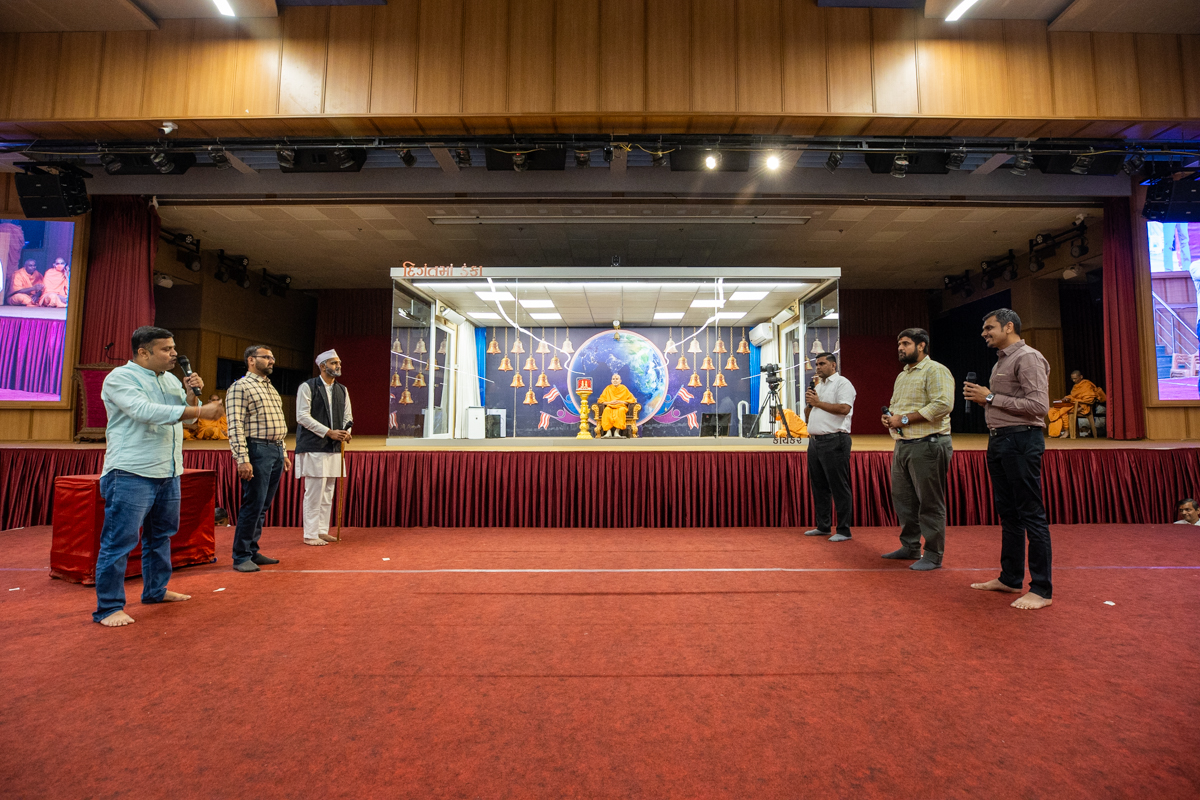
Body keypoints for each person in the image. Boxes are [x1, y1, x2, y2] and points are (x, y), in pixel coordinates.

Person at [92, 326, 224, 627]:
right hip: (130, 471)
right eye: (166, 349)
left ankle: (155, 590)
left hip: (169, 470)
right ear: (143, 352)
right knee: (119, 541)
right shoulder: (120, 378)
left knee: (161, 536)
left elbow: (184, 419)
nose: (174, 354)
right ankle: (108, 608)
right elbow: (144, 411)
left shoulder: (171, 380)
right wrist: (200, 411)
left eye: (173, 348)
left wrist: (190, 396)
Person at [965, 309, 1054, 611]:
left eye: (989, 328)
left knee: (1031, 514)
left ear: (1009, 327)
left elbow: (1038, 406)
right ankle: (1011, 578)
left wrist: (990, 398)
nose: (984, 333)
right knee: (1009, 514)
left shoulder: (1027, 358)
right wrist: (987, 401)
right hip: (1000, 440)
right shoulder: (1002, 360)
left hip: (1021, 440)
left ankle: (1041, 589)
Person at [881, 328, 954, 571]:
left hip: (928, 444)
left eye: (905, 343)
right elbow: (896, 406)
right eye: (899, 344)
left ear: (921, 345)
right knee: (904, 500)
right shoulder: (903, 375)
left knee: (930, 503)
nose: (900, 348)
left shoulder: (935, 370)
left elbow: (942, 405)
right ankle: (910, 546)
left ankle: (933, 554)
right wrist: (890, 417)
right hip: (903, 444)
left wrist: (902, 420)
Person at [225, 344, 290, 573]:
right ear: (251, 360)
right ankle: (241, 556)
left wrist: (283, 452)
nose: (272, 361)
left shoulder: (269, 386)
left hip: (274, 450)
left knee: (262, 506)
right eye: (267, 357)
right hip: (257, 450)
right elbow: (235, 425)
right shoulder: (240, 387)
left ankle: (252, 550)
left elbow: (277, 422)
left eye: (272, 357)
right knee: (253, 504)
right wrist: (242, 459)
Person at [295, 349, 354, 546]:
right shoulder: (308, 386)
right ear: (322, 366)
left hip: (334, 447)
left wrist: (346, 432)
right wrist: (328, 432)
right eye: (334, 363)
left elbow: (348, 416)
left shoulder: (342, 389)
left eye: (339, 363)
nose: (338, 366)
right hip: (315, 446)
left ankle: (321, 530)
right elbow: (302, 416)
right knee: (314, 492)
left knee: (328, 492)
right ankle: (310, 534)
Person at [803, 353, 856, 542]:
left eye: (822, 363)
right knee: (819, 486)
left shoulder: (843, 384)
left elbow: (844, 409)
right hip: (815, 442)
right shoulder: (819, 386)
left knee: (838, 486)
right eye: (816, 364)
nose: (818, 367)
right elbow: (810, 415)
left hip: (835, 440)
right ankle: (823, 526)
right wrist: (810, 405)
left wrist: (818, 403)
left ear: (833, 365)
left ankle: (843, 530)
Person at [1047, 370, 1106, 438]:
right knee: (1052, 410)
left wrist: (1073, 399)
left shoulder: (1087, 385)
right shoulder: (1075, 386)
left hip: (1083, 407)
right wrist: (1067, 398)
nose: (1074, 380)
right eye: (1072, 379)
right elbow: (1073, 396)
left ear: (1081, 377)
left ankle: (1067, 430)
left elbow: (1089, 399)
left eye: (1075, 378)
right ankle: (1054, 433)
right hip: (1074, 405)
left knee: (1063, 411)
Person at [596, 373, 636, 438]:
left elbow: (632, 399)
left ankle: (617, 432)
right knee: (606, 410)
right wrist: (610, 402)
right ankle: (608, 432)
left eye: (617, 379)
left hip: (621, 406)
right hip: (610, 406)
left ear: (620, 381)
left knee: (621, 411)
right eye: (613, 379)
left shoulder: (624, 388)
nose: (615, 380)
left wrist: (620, 401)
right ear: (611, 381)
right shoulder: (608, 388)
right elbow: (601, 400)